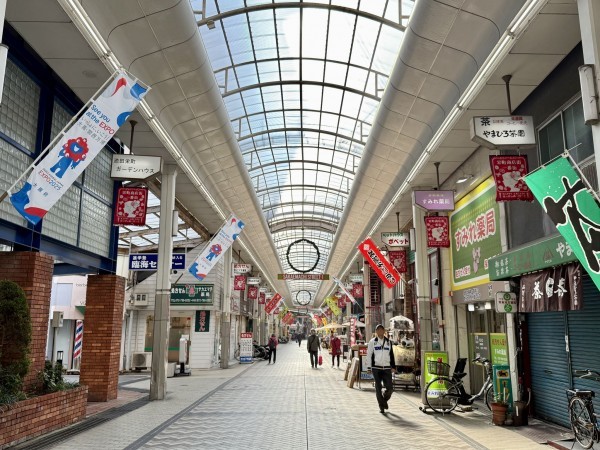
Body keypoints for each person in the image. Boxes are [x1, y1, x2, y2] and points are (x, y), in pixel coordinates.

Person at [366, 324, 396, 414]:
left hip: (386, 368)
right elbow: (369, 355)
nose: (380, 331)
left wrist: (393, 366)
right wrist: (368, 367)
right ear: (376, 332)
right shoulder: (372, 342)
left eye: (381, 330)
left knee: (390, 388)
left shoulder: (388, 342)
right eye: (378, 330)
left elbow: (391, 355)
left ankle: (384, 400)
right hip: (376, 368)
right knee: (378, 387)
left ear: (384, 331)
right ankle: (381, 406)